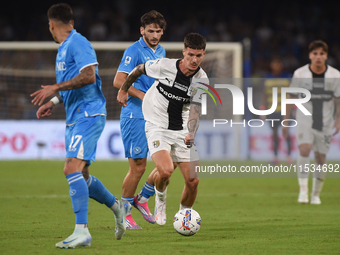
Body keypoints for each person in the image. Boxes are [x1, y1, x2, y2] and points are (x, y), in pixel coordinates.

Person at [30, 3, 130, 249]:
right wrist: (54, 101)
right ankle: (118, 209)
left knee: (70, 168)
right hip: (74, 118)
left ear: (52, 25)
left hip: (89, 114)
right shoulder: (63, 49)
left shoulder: (78, 43)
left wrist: (55, 88)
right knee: (82, 176)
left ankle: (81, 231)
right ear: (70, 22)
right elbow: (73, 84)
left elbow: (88, 75)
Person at [117, 32, 207, 225]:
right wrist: (124, 89)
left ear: (203, 55)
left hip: (181, 128)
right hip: (157, 124)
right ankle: (160, 200)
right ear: (184, 52)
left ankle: (184, 216)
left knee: (193, 181)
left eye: (198, 56)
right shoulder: (165, 66)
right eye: (190, 54)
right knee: (165, 171)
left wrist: (191, 132)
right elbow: (139, 69)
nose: (194, 60)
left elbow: (195, 109)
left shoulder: (201, 79)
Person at [113, 10, 166, 229]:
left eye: (158, 31)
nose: (154, 35)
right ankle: (123, 213)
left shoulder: (161, 50)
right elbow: (118, 81)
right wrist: (143, 96)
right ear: (142, 30)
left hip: (156, 114)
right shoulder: (133, 51)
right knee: (138, 167)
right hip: (135, 114)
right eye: (151, 31)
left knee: (167, 163)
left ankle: (141, 198)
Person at [282, 40, 340, 205]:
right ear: (310, 55)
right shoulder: (300, 74)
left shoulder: (335, 75)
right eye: (315, 54)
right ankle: (303, 191)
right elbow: (290, 97)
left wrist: (338, 121)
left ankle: (316, 194)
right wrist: (286, 121)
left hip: (325, 121)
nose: (318, 57)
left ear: (326, 56)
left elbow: (338, 101)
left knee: (321, 157)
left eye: (322, 54)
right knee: (305, 149)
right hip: (304, 118)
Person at [261, 57, 293, 164]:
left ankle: (289, 156)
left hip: (285, 112)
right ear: (271, 66)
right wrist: (263, 109)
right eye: (274, 64)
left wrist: (294, 108)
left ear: (281, 66)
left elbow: (292, 94)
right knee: (274, 134)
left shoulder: (287, 78)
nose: (276, 67)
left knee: (286, 133)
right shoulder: (267, 78)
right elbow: (264, 95)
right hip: (272, 111)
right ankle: (275, 157)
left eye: (278, 64)